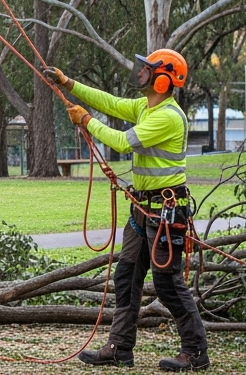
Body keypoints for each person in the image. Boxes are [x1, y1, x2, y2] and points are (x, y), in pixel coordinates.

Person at [45, 49, 210, 372]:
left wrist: (86, 121)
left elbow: (122, 142)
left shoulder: (168, 116)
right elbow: (110, 103)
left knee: (168, 284)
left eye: (147, 70)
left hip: (165, 213)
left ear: (163, 80)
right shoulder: (145, 107)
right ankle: (120, 348)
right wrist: (69, 84)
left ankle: (195, 352)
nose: (140, 73)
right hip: (141, 211)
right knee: (126, 276)